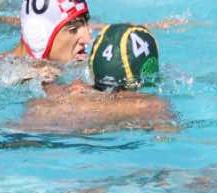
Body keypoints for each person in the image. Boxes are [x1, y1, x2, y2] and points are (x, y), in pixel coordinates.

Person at [20, 22, 175, 134]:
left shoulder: (68, 90)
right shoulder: (150, 105)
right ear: (148, 67)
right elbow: (166, 136)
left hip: (31, 131)